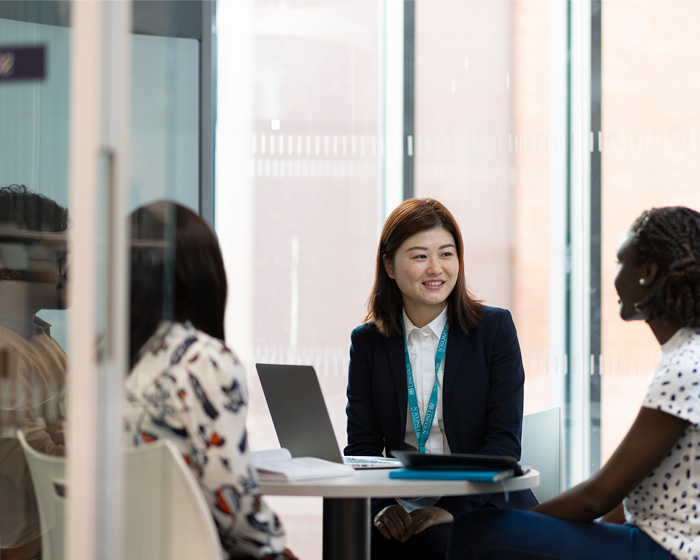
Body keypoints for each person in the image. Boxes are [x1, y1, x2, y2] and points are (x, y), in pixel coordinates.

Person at [447, 206, 700, 560]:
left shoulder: (685, 365)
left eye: (618, 262)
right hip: (652, 538)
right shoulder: (688, 355)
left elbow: (599, 496)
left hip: (664, 550)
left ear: (647, 272)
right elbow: (629, 498)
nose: (612, 277)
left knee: (475, 531)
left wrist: (519, 530)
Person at [344, 198, 537, 560]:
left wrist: (453, 508)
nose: (435, 269)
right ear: (389, 265)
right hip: (400, 501)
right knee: (356, 539)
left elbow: (503, 443)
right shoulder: (367, 342)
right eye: (419, 256)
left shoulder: (494, 330)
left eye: (446, 254)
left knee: (436, 544)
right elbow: (363, 449)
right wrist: (379, 509)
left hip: (482, 501)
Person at [125, 201, 294, 559]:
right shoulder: (203, 360)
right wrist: (276, 547)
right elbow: (235, 508)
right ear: (205, 274)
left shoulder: (97, 359)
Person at [0, 184, 68, 560]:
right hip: (32, 548)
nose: (68, 271)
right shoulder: (4, 351)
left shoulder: (38, 338)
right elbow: (39, 470)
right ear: (7, 265)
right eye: (56, 257)